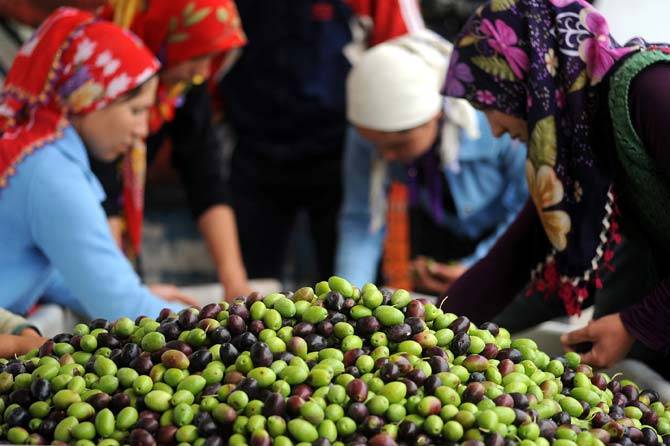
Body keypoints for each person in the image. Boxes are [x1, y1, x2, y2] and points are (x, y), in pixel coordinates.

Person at [442, 0, 670, 375]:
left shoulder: (650, 93)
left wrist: (635, 323)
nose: (494, 130)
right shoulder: (578, 143)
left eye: (488, 108)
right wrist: (429, 326)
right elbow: (517, 253)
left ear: (529, 78)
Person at [0, 7, 193, 321]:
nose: (143, 130)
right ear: (87, 100)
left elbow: (50, 270)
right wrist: (226, 326)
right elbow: (121, 308)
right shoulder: (51, 175)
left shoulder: (33, 152)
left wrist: (136, 290)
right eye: (135, 111)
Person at [218, 0, 425, 284]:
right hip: (254, 149)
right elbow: (208, 49)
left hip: (342, 152)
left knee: (349, 286)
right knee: (251, 290)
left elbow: (410, 61)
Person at [335, 30, 527, 293]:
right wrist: (348, 296)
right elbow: (361, 219)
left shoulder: (496, 123)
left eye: (398, 145)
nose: (387, 156)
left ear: (434, 116)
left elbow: (526, 208)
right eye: (377, 145)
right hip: (437, 234)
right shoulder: (367, 135)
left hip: (508, 238)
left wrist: (478, 267)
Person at [93, 0, 251, 298]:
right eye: (197, 58)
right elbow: (103, 181)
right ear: (164, 34)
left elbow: (205, 175)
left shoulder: (182, 85)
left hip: (111, 257)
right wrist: (123, 290)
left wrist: (235, 282)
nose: (202, 72)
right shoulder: (102, 71)